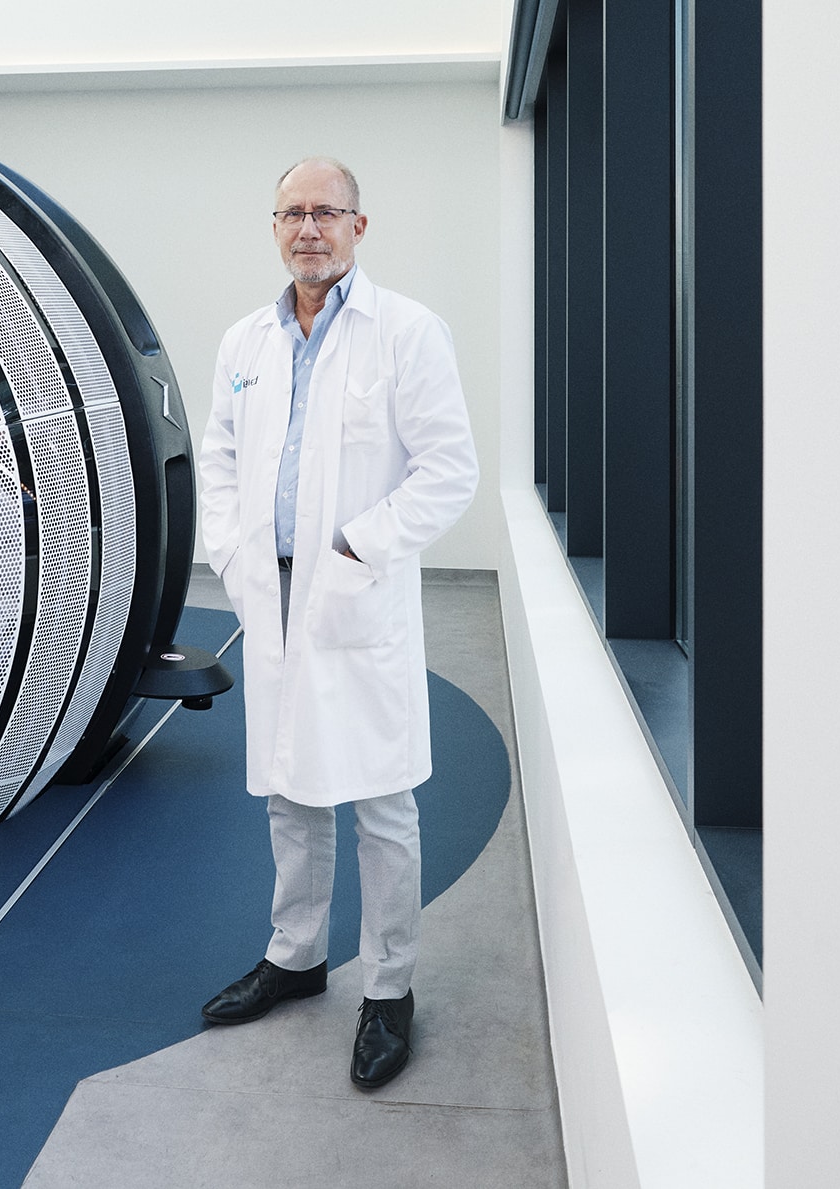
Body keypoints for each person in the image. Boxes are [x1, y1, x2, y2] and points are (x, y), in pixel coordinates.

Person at [194, 157, 478, 1090]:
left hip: (355, 594)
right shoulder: (245, 342)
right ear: (272, 226)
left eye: (326, 211)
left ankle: (390, 987)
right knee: (291, 790)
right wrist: (232, 553)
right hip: (267, 591)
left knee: (382, 801)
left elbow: (448, 471)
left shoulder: (406, 332)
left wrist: (359, 548)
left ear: (362, 225)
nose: (308, 227)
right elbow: (222, 464)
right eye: (292, 212)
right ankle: (296, 955)